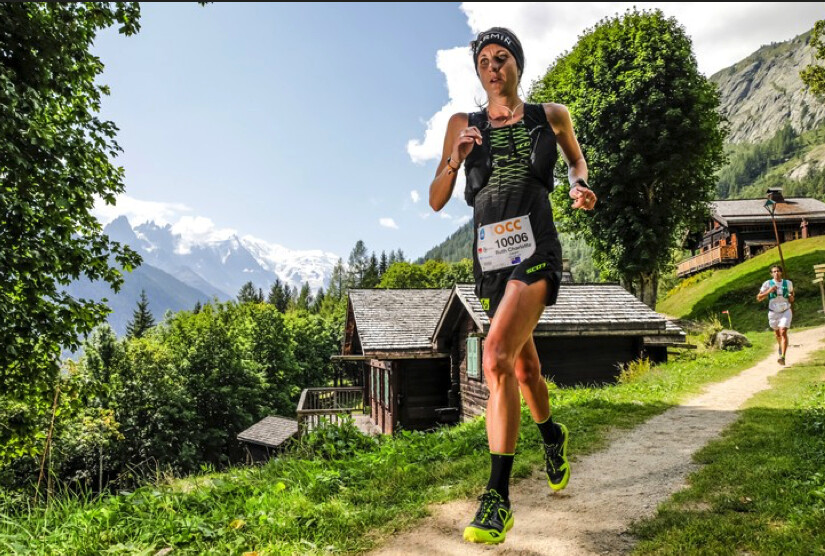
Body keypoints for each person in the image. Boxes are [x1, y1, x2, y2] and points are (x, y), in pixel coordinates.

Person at [428, 27, 597, 545]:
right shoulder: (463, 123)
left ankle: (497, 498)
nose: (493, 68)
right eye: (484, 61)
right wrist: (456, 158)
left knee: (495, 356)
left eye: (501, 58)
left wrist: (580, 185)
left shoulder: (551, 116)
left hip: (537, 250)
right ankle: (552, 435)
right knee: (525, 370)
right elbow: (436, 199)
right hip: (490, 263)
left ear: (518, 65)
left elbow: (575, 161)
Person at [756, 264, 794, 364]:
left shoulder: (788, 283)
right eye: (774, 271)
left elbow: (792, 295)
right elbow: (758, 298)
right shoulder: (767, 283)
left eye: (778, 271)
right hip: (773, 312)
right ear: (771, 274)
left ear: (781, 272)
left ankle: (783, 357)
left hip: (786, 310)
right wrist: (768, 291)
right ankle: (780, 346)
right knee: (777, 333)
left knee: (783, 332)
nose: (776, 273)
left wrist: (791, 297)